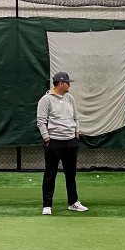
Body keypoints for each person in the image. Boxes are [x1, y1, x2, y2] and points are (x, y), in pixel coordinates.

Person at [36, 72, 88, 214]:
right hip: (54, 143)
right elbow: (41, 121)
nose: (69, 85)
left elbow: (76, 117)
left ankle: (73, 202)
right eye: (67, 83)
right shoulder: (45, 100)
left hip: (70, 142)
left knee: (71, 174)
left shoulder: (70, 98)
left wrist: (76, 134)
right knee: (50, 174)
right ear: (60, 83)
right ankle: (47, 205)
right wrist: (47, 138)